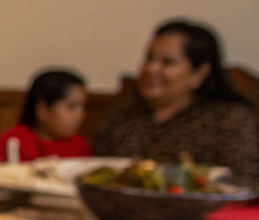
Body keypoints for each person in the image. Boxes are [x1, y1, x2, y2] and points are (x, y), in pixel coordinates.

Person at [95, 19, 257, 181]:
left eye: (167, 62)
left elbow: (243, 183)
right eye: (149, 59)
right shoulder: (122, 116)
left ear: (200, 73)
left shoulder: (228, 119)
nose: (151, 69)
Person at [0, 69, 92, 163]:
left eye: (83, 107)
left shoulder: (79, 144)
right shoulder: (14, 141)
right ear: (42, 110)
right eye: (72, 107)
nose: (80, 115)